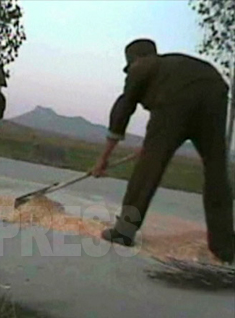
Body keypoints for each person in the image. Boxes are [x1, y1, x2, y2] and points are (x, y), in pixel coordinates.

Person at [92, 38, 234, 264]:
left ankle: (124, 231)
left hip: (176, 102)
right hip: (215, 90)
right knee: (216, 171)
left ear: (134, 60)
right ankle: (225, 248)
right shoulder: (171, 66)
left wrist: (103, 160)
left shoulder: (141, 67)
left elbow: (122, 111)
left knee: (148, 169)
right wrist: (153, 145)